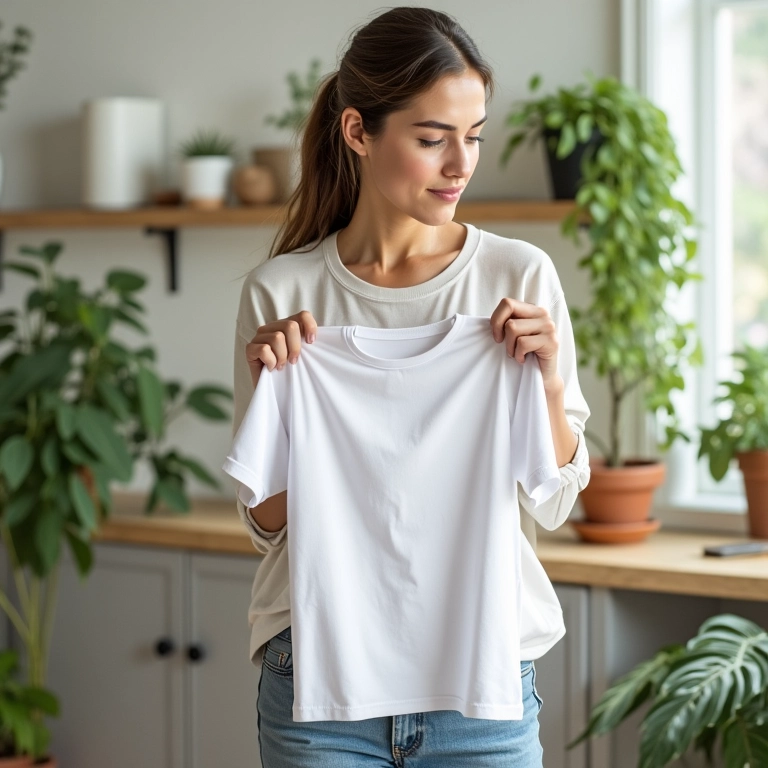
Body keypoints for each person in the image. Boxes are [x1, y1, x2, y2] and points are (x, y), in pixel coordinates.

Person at [230, 7, 591, 767]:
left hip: (481, 681)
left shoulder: (517, 279)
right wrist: (278, 395)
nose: (461, 164)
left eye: (475, 135)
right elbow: (266, 520)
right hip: (316, 685)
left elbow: (553, 500)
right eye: (433, 140)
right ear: (359, 131)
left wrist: (550, 384)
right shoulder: (281, 295)